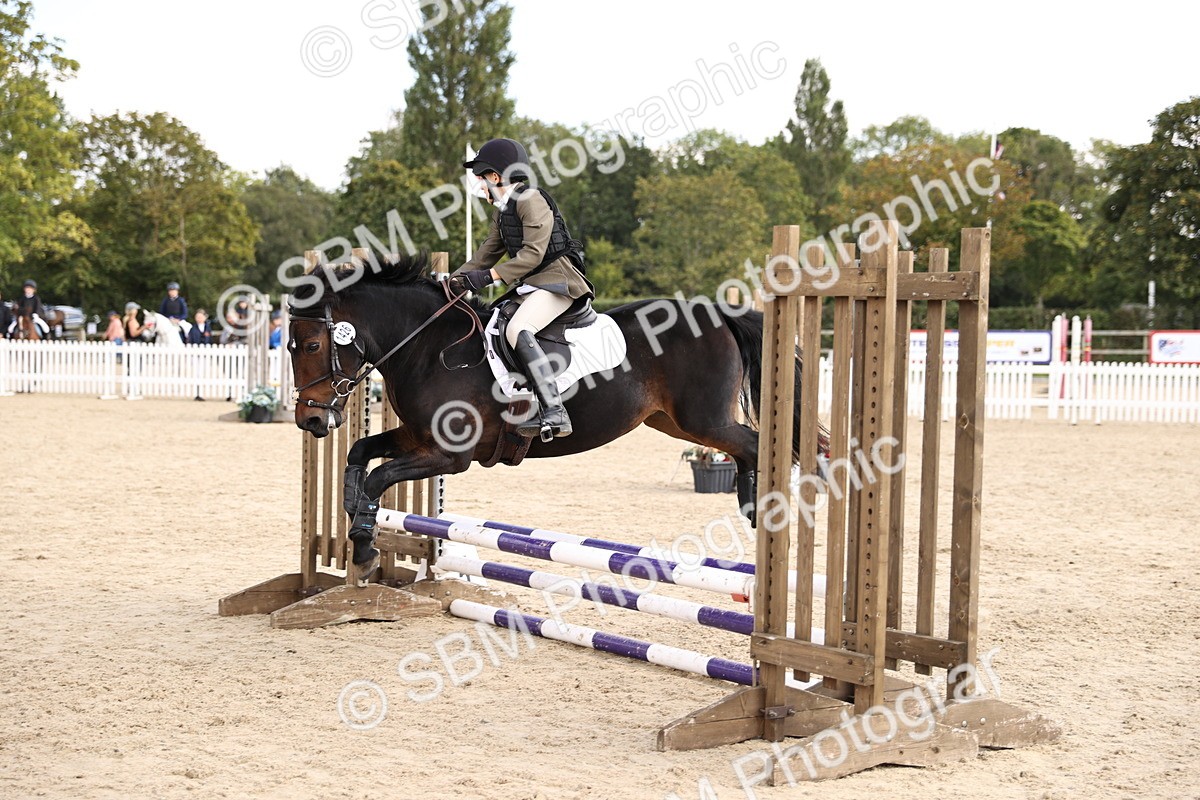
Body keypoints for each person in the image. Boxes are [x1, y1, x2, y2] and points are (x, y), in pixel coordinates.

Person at [449, 137, 592, 439]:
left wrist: (487, 278)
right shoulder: (503, 211)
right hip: (536, 283)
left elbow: (532, 255)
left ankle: (555, 410)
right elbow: (486, 254)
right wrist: (453, 281)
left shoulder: (531, 200)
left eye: (482, 177)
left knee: (517, 329)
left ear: (496, 176)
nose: (479, 185)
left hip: (560, 281)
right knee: (497, 324)